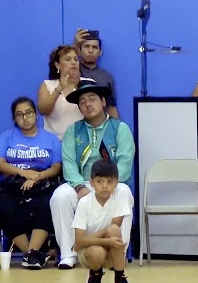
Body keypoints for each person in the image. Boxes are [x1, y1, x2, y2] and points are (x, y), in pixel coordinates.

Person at [50, 79, 136, 270]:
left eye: (92, 99)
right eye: (82, 101)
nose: (87, 104)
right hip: (83, 183)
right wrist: (80, 187)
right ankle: (68, 254)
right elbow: (69, 164)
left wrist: (107, 185)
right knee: (60, 196)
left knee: (124, 193)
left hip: (111, 183)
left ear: (103, 101)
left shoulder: (120, 129)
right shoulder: (73, 131)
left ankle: (117, 255)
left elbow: (124, 165)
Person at [0, 97, 64, 269]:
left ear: (36, 114)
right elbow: (0, 163)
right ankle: (32, 254)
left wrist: (37, 177)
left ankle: (31, 254)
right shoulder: (6, 137)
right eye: (19, 115)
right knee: (2, 204)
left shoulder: (50, 139)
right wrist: (24, 173)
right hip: (13, 183)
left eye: (29, 113)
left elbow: (56, 166)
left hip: (42, 183)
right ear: (14, 119)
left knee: (48, 202)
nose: (25, 117)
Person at [73, 158, 134, 283]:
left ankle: (120, 277)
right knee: (97, 252)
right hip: (89, 250)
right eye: (100, 181)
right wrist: (104, 240)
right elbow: (80, 240)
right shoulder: (84, 203)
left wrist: (83, 241)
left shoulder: (120, 196)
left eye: (110, 181)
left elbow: (113, 228)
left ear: (117, 182)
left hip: (111, 247)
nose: (105, 186)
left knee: (113, 229)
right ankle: (95, 274)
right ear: (91, 183)